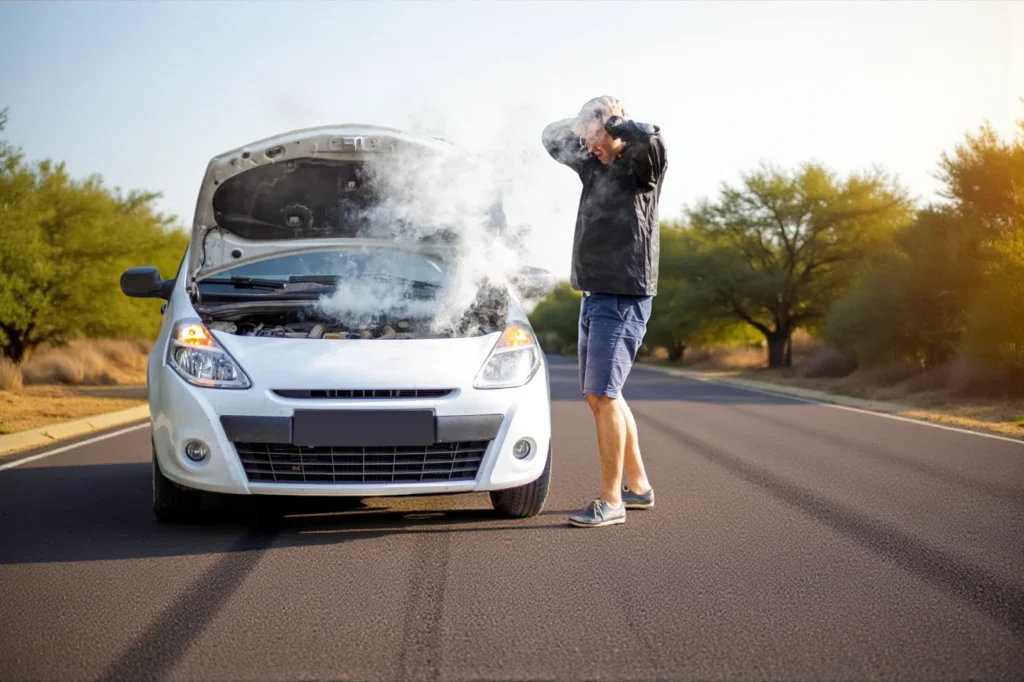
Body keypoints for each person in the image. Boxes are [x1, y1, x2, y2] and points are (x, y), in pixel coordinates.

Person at [541, 96, 667, 528]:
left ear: (614, 130)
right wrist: (588, 126)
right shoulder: (593, 166)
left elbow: (652, 138)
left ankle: (611, 500)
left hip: (623, 295)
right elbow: (550, 138)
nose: (588, 146)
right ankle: (639, 486)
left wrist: (614, 123)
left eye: (594, 138)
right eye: (586, 139)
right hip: (595, 295)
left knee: (604, 396)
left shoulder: (642, 168)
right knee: (602, 394)